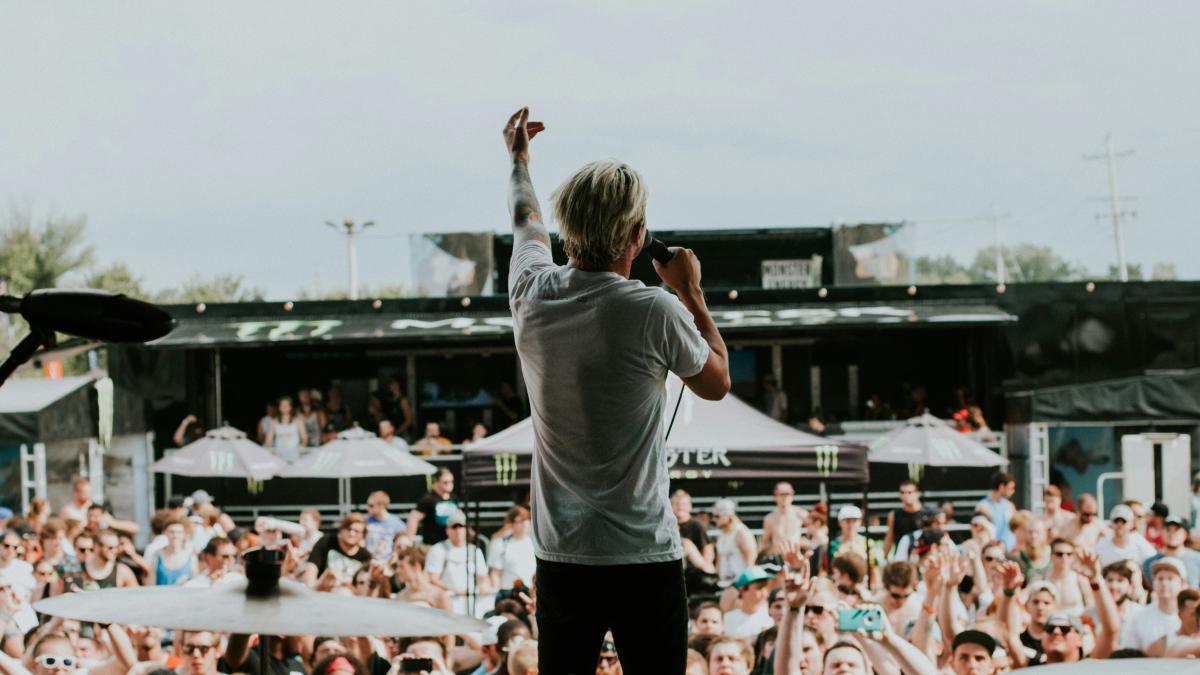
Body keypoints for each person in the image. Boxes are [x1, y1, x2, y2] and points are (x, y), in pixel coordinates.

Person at [503, 106, 729, 675]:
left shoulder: (530, 290)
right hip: (642, 554)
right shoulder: (655, 308)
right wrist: (691, 293)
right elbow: (717, 383)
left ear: (568, 229)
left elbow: (524, 218)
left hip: (560, 553)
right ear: (637, 233)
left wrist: (518, 159)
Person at [425, 510, 492, 616]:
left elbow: (483, 577)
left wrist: (483, 587)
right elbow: (431, 578)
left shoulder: (474, 551)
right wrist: (454, 590)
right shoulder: (438, 549)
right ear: (447, 530)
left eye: (461, 527)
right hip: (448, 604)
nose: (458, 530)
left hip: (472, 604)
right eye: (454, 527)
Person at [1121, 557, 1186, 650]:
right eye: (1160, 578)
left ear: (1182, 584)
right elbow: (1129, 652)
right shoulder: (1139, 616)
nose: (1164, 583)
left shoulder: (1191, 617)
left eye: (1170, 579)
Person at [305, 513, 371, 586]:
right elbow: (312, 566)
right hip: (322, 592)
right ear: (342, 529)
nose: (352, 533)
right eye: (349, 529)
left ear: (363, 535)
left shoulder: (365, 556)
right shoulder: (327, 542)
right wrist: (310, 589)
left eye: (357, 531)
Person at [1143, 515, 1200, 587]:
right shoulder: (1150, 563)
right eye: (1167, 529)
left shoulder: (1198, 560)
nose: (1171, 534)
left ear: (1185, 534)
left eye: (1176, 530)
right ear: (1161, 532)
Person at [407, 468, 459, 546]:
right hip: (432, 544)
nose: (450, 485)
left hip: (450, 544)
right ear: (437, 482)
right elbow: (413, 518)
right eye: (445, 482)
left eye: (451, 482)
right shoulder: (428, 499)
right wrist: (410, 540)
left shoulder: (453, 497)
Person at [488, 506, 535, 591]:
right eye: (520, 521)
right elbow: (495, 573)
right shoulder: (500, 543)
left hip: (530, 591)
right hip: (508, 591)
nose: (525, 523)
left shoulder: (535, 543)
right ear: (511, 524)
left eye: (527, 519)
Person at [722, 566, 774, 639]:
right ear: (742, 590)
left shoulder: (771, 615)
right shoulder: (728, 618)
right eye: (759, 588)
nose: (764, 592)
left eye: (765, 587)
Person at [713, 499, 757, 586]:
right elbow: (720, 561)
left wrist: (745, 585)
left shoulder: (741, 532)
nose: (714, 519)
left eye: (717, 516)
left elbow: (751, 561)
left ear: (728, 516)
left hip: (739, 584)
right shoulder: (722, 535)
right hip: (724, 583)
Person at [145, 516, 195, 586]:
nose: (175, 536)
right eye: (171, 532)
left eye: (179, 532)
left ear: (184, 534)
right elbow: (150, 584)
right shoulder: (157, 555)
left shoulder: (191, 556)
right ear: (164, 533)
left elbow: (196, 583)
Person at [761, 482, 806, 557]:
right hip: (777, 558)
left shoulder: (801, 514)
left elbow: (818, 529)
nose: (784, 497)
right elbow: (765, 542)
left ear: (792, 496)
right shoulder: (769, 518)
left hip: (796, 557)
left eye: (787, 494)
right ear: (775, 497)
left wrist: (806, 543)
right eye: (781, 494)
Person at [975, 472, 1016, 552]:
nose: (1013, 491)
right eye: (1010, 488)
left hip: (1010, 551)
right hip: (992, 552)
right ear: (1001, 487)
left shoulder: (1010, 506)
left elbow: (1015, 529)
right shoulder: (983, 506)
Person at [883, 480, 923, 560]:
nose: (906, 495)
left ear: (917, 493)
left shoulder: (927, 514)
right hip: (902, 558)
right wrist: (885, 558)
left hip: (922, 557)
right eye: (902, 492)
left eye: (909, 492)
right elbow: (889, 537)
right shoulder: (894, 515)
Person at [364, 491, 405, 562]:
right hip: (368, 560)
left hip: (388, 561)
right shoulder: (364, 520)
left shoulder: (395, 521)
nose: (368, 508)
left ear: (381, 506)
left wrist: (395, 554)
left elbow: (403, 540)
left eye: (371, 505)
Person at [265, 395, 307, 461]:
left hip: (295, 456)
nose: (284, 407)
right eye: (282, 405)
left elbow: (304, 438)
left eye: (287, 405)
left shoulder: (298, 421)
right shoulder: (274, 422)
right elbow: (268, 440)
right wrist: (272, 453)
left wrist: (299, 450)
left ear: (291, 407)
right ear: (279, 407)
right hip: (279, 456)